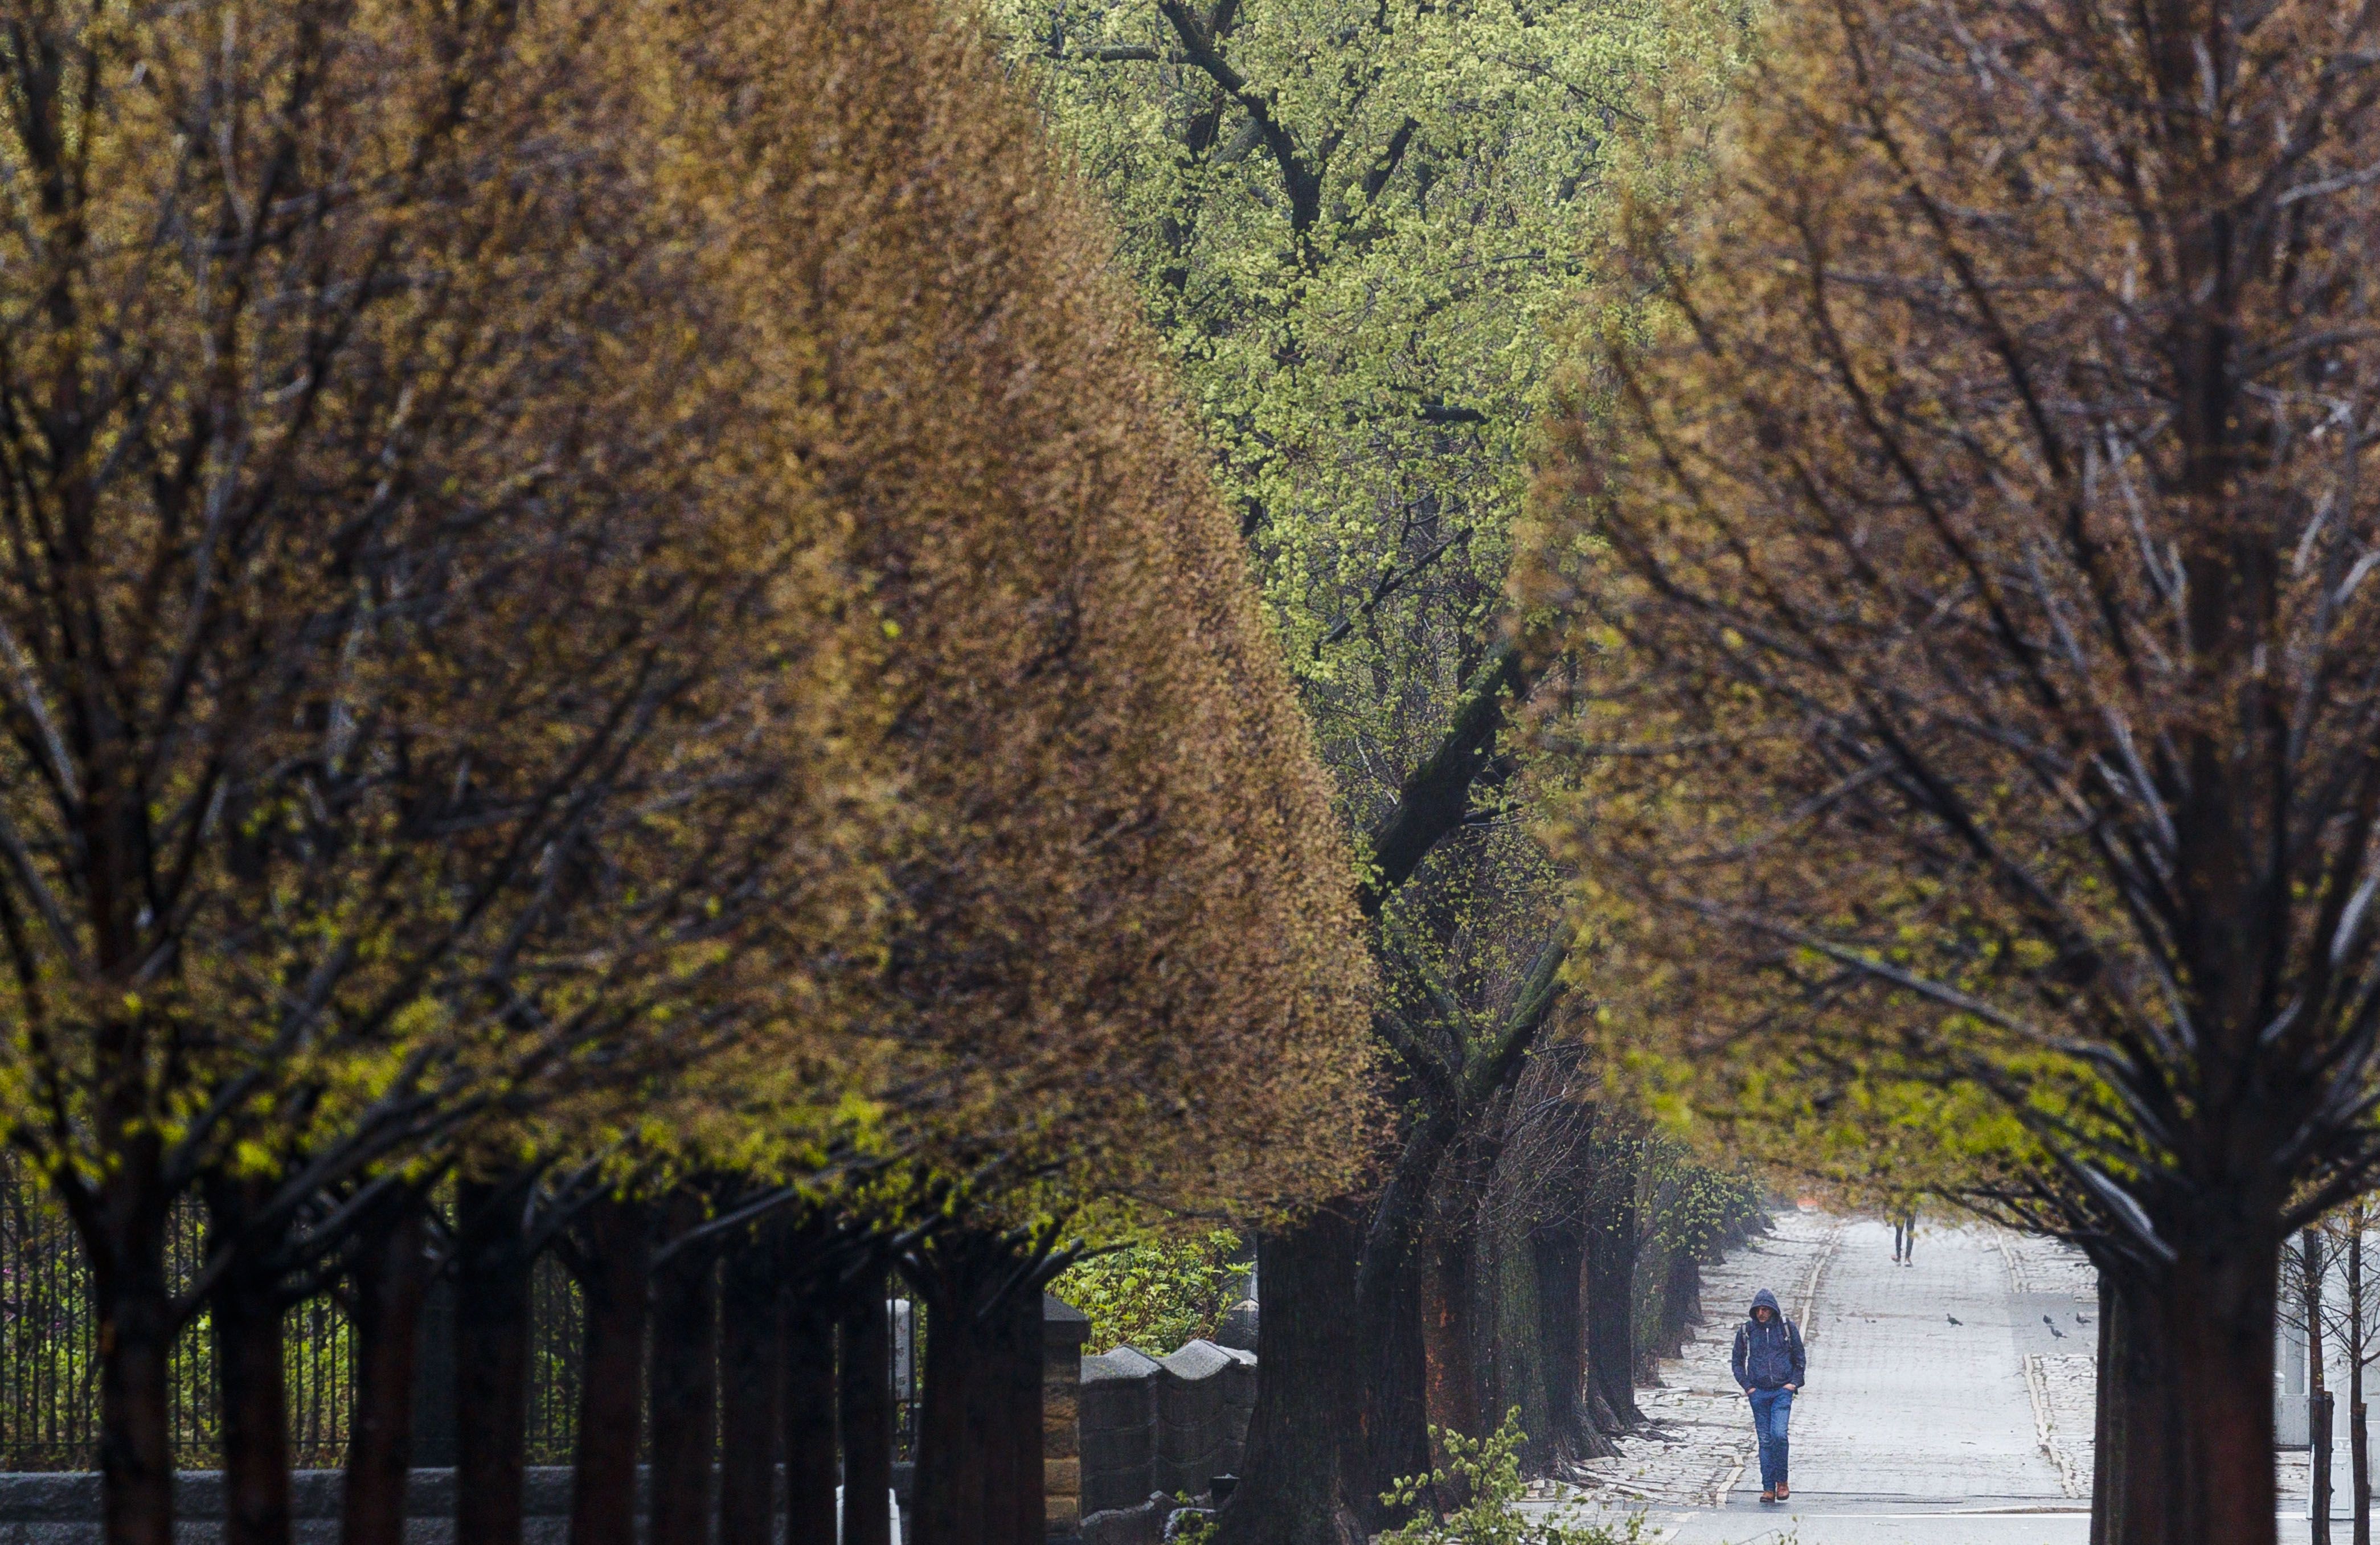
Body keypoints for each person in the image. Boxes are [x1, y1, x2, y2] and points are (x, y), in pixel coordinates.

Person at [1732, 1287, 1806, 1503]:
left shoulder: (1786, 1328)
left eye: (1766, 1309)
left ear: (1773, 1310)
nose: (1762, 1314)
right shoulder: (1747, 1331)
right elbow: (1737, 1362)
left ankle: (1782, 1481)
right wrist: (1748, 1387)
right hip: (1759, 1392)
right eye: (1759, 1310)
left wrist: (1793, 1383)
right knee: (1765, 1440)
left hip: (1782, 1391)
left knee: (1779, 1435)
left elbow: (1799, 1357)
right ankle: (1768, 1488)